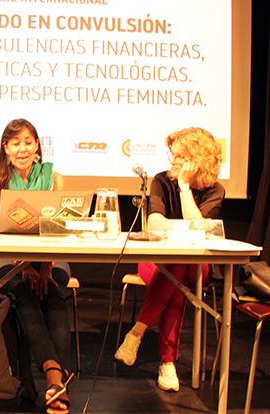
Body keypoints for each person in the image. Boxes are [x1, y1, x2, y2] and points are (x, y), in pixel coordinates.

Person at [115, 127, 224, 392]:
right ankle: (167, 363)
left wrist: (185, 187)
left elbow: (199, 230)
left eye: (179, 157)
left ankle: (137, 332)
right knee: (175, 275)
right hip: (156, 260)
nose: (172, 161)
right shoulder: (161, 181)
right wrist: (188, 229)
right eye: (171, 155)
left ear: (197, 161)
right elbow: (155, 223)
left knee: (177, 267)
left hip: (199, 266)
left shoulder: (215, 190)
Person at [0, 118, 73, 414]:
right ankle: (56, 379)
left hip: (50, 253)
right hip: (8, 255)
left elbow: (58, 227)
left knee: (54, 292)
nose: (22, 149)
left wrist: (45, 265)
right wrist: (24, 264)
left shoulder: (55, 178)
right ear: (5, 148)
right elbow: (0, 229)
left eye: (28, 142)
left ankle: (55, 382)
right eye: (15, 143)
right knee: (24, 293)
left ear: (37, 147)